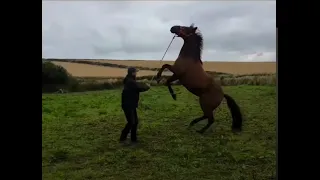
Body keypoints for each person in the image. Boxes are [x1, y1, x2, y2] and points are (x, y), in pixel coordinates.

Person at [120, 67, 150, 144]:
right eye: (135, 72)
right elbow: (139, 88)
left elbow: (137, 85)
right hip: (128, 105)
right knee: (131, 122)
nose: (136, 73)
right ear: (132, 73)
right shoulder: (130, 81)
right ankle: (123, 137)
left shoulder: (130, 80)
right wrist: (147, 87)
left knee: (135, 122)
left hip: (131, 104)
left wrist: (144, 84)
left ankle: (133, 139)